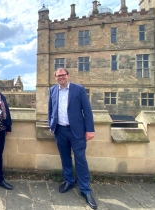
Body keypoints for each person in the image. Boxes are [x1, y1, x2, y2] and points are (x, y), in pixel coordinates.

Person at [48, 68, 97, 209]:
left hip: (77, 131)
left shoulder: (79, 89)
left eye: (63, 75)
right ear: (55, 77)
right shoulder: (52, 90)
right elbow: (51, 109)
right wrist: (51, 125)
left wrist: (90, 130)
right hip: (60, 130)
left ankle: (85, 190)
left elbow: (87, 111)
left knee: (80, 159)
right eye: (58, 76)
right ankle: (69, 180)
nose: (61, 77)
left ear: (68, 76)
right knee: (65, 157)